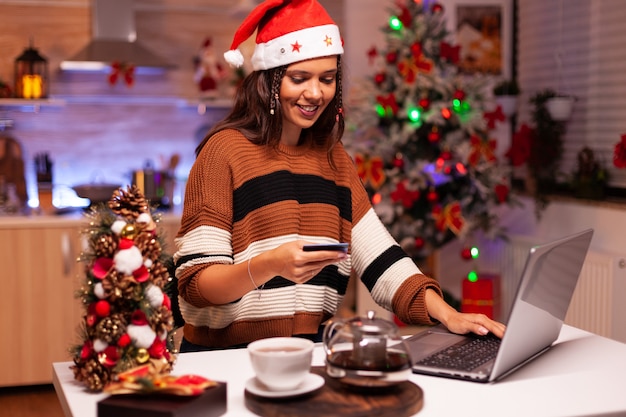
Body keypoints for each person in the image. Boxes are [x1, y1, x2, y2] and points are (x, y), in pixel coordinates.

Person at [173, 0, 506, 352]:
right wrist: (270, 264)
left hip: (308, 356)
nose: (315, 93)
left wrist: (448, 315)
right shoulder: (223, 152)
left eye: (327, 79)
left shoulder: (335, 162)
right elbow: (197, 284)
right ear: (269, 80)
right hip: (227, 359)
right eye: (299, 78)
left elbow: (381, 260)